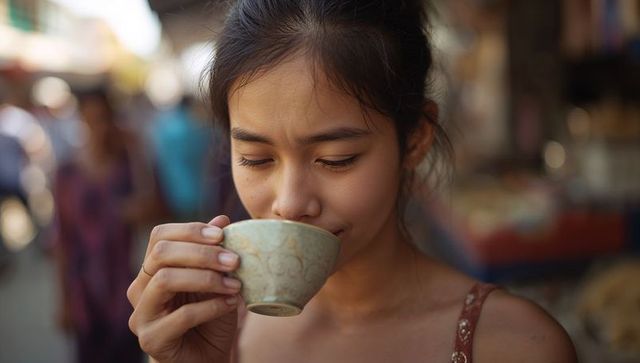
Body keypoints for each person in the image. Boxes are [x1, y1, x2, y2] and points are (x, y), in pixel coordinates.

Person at [127, 1, 578, 362]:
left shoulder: (513, 347)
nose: (289, 203)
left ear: (416, 138)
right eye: (256, 158)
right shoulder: (209, 330)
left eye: (336, 159)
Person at [51, 88, 144, 363]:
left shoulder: (128, 164)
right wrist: (64, 300)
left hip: (124, 285)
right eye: (91, 118)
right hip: (85, 289)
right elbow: (62, 239)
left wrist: (137, 149)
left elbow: (157, 207)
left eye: (103, 118)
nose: (98, 126)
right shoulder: (67, 172)